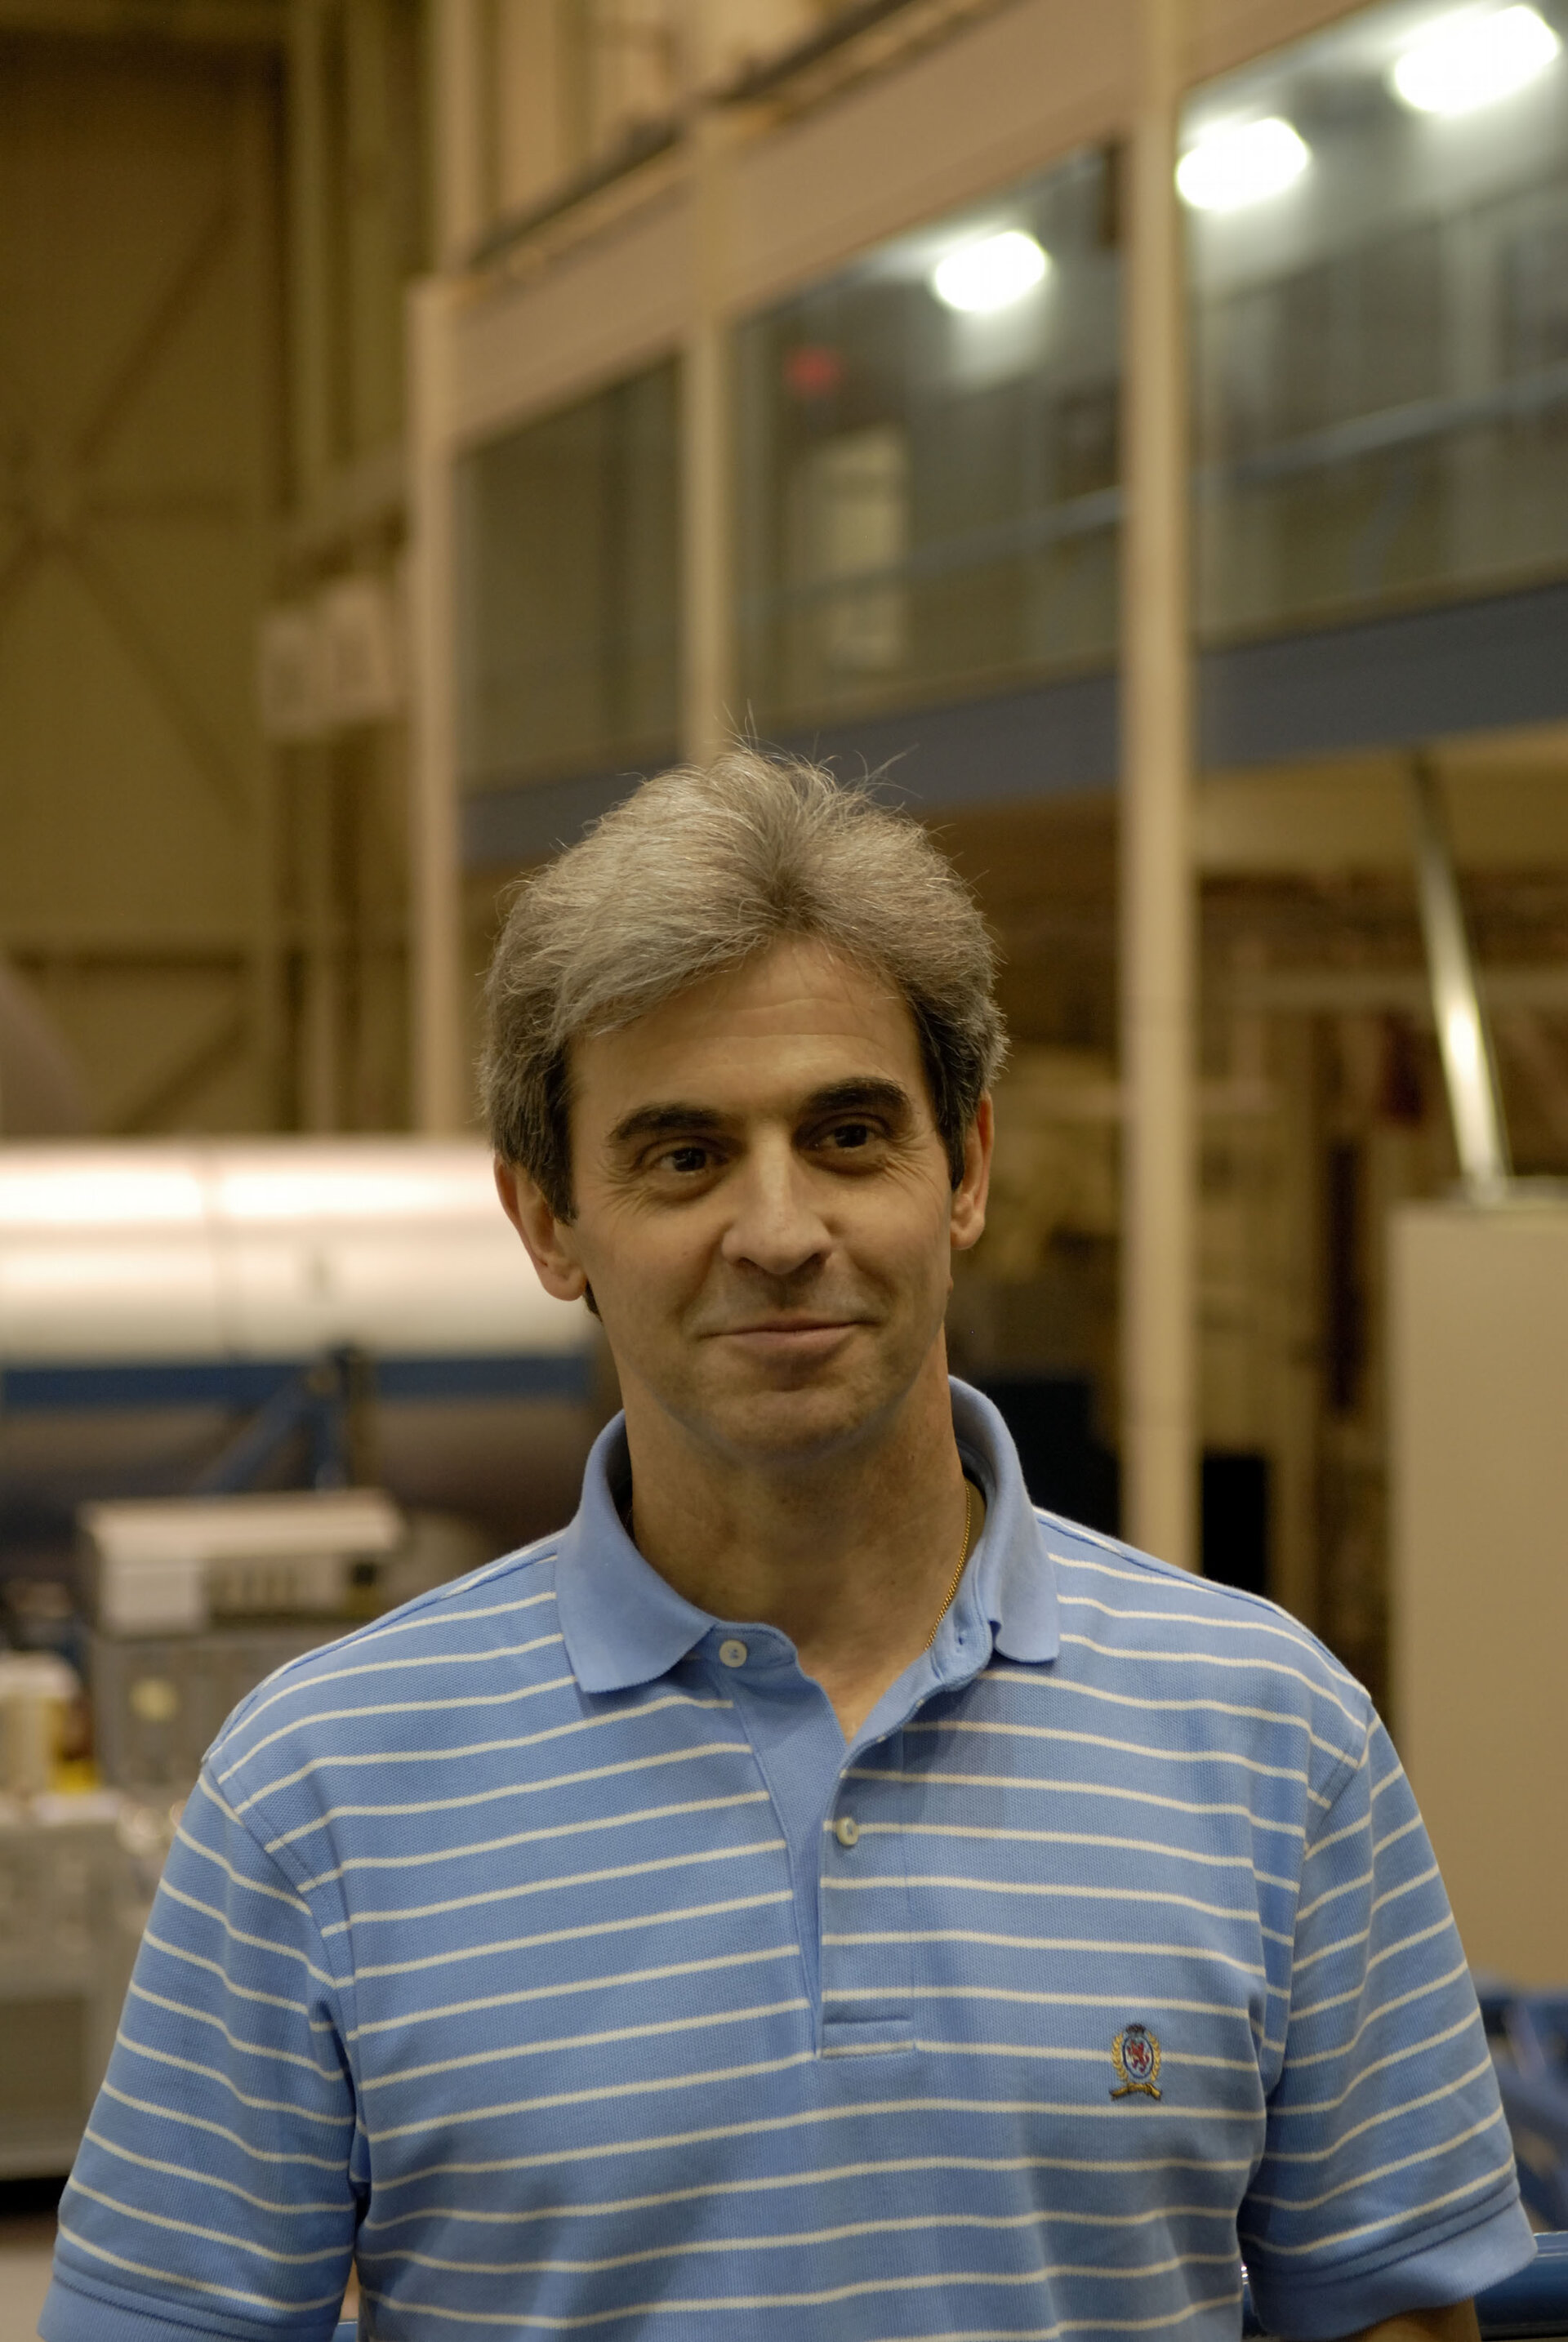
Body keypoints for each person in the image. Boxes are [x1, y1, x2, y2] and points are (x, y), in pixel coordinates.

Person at [44, 751, 1532, 2342]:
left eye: (846, 1135)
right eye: (682, 1155)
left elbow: (1395, 2318)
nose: (778, 1231)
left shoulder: (1274, 1738)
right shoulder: (318, 1797)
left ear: (962, 1170)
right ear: (547, 1221)